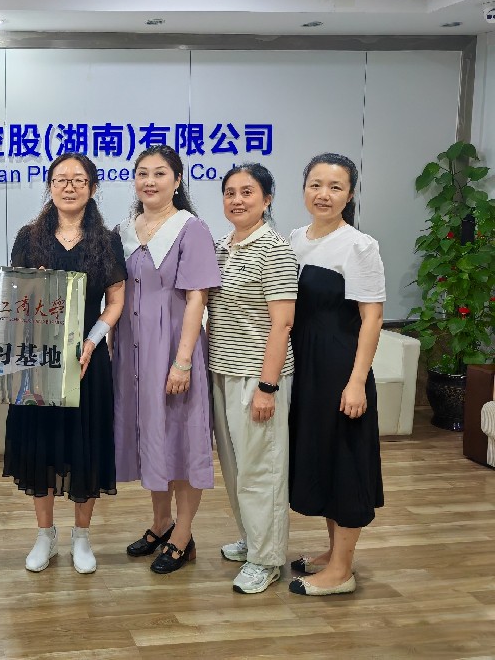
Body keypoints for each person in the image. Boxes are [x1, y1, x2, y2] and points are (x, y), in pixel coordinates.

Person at [3, 152, 127, 574]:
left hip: (87, 361)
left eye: (78, 180)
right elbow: (14, 295)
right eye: (61, 179)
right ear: (50, 186)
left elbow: (115, 301)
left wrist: (92, 341)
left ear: (92, 188)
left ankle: (82, 537)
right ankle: (45, 535)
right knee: (41, 443)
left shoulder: (106, 240)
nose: (69, 187)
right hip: (39, 358)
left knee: (85, 444)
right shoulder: (29, 237)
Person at [113, 146, 221, 575]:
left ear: (177, 181)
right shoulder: (124, 230)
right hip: (132, 351)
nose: (150, 181)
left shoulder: (190, 229)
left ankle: (183, 535)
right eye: (142, 173)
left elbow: (197, 298)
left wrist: (183, 361)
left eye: (160, 173)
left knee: (182, 439)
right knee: (151, 436)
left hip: (174, 348)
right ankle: (160, 523)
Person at [287, 153, 385, 596]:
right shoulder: (295, 239)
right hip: (304, 367)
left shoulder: (358, 245)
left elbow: (372, 318)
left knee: (345, 461)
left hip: (339, 367)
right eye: (316, 184)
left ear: (350, 194)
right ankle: (333, 552)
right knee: (322, 458)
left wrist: (357, 380)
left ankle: (342, 570)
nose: (323, 194)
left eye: (335, 187)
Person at [208, 164, 298, 594]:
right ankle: (252, 538)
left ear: (267, 199)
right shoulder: (220, 246)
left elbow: (283, 324)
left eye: (247, 192)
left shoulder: (274, 249)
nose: (237, 200)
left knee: (262, 469)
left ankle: (267, 559)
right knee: (236, 467)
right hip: (222, 370)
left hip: (257, 376)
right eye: (230, 192)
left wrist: (268, 386)